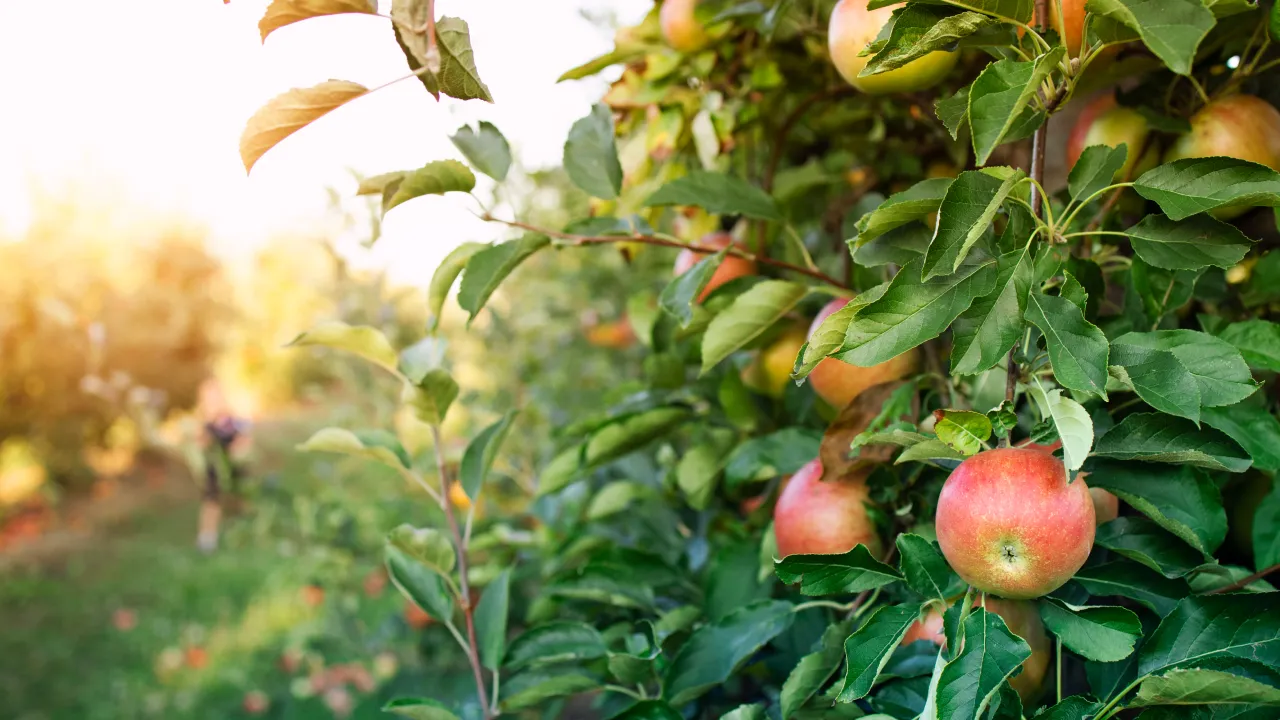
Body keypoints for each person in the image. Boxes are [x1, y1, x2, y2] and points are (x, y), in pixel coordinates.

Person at [195, 378, 250, 553]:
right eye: (210, 399)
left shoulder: (232, 421)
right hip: (215, 468)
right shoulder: (206, 425)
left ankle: (244, 527)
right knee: (212, 500)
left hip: (234, 464)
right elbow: (200, 444)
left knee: (242, 494)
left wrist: (239, 447)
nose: (215, 403)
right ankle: (207, 538)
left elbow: (244, 438)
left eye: (217, 398)